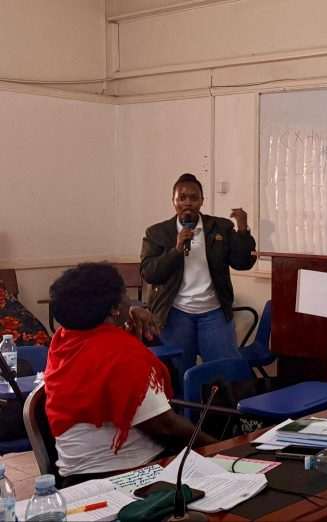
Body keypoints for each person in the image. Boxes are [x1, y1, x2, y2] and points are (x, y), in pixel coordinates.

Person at [45, 263, 216, 486]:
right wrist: (221, 448)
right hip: (125, 474)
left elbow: (110, 374)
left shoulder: (63, 339)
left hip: (74, 475)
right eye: (125, 293)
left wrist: (127, 316)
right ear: (114, 307)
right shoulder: (121, 353)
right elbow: (164, 427)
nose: (132, 301)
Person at [140, 173, 256, 375]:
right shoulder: (157, 233)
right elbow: (149, 273)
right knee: (176, 373)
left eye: (194, 198)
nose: (188, 203)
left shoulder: (220, 227)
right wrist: (176, 250)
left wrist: (243, 231)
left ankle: (217, 407)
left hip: (213, 312)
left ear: (202, 201)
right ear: (174, 201)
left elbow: (242, 263)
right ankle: (185, 408)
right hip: (174, 314)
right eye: (182, 198)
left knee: (225, 372)